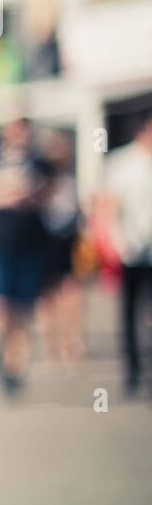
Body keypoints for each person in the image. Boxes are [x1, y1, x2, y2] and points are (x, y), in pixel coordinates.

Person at [0, 117, 51, 394]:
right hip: (1, 242)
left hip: (30, 243)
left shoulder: (39, 161)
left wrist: (29, 195)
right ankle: (1, 348)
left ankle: (15, 364)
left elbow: (49, 195)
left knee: (23, 309)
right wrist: (4, 194)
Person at [102, 111, 152, 395]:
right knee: (130, 311)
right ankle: (132, 370)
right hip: (130, 249)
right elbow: (109, 207)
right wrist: (117, 242)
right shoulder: (123, 164)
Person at [36, 128, 85, 371]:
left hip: (65, 240)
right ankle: (54, 344)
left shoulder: (67, 179)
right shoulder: (45, 179)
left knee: (66, 291)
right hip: (47, 241)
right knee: (50, 294)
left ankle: (68, 341)